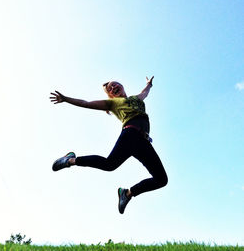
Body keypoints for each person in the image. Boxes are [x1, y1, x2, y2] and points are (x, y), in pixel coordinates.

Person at [50, 76, 168, 214]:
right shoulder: (113, 103)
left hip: (143, 142)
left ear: (122, 85)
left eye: (115, 84)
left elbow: (144, 93)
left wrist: (149, 84)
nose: (113, 87)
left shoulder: (136, 99)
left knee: (161, 180)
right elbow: (86, 103)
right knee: (109, 164)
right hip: (130, 134)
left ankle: (127, 193)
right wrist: (66, 99)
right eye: (110, 88)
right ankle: (70, 160)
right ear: (110, 95)